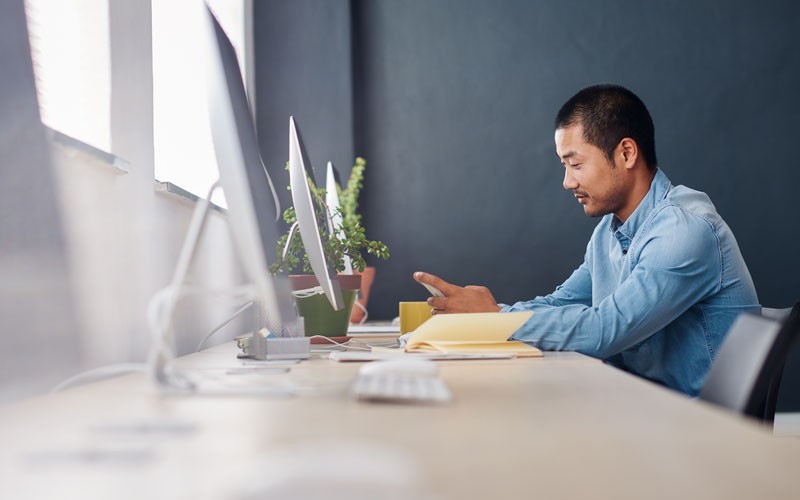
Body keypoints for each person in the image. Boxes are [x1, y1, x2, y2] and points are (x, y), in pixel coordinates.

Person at [414, 83, 759, 396]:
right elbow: (561, 302)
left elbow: (605, 329)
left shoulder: (684, 229)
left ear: (626, 154)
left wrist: (497, 317)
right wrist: (490, 314)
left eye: (575, 164)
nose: (567, 182)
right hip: (643, 412)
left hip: (702, 434)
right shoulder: (608, 234)